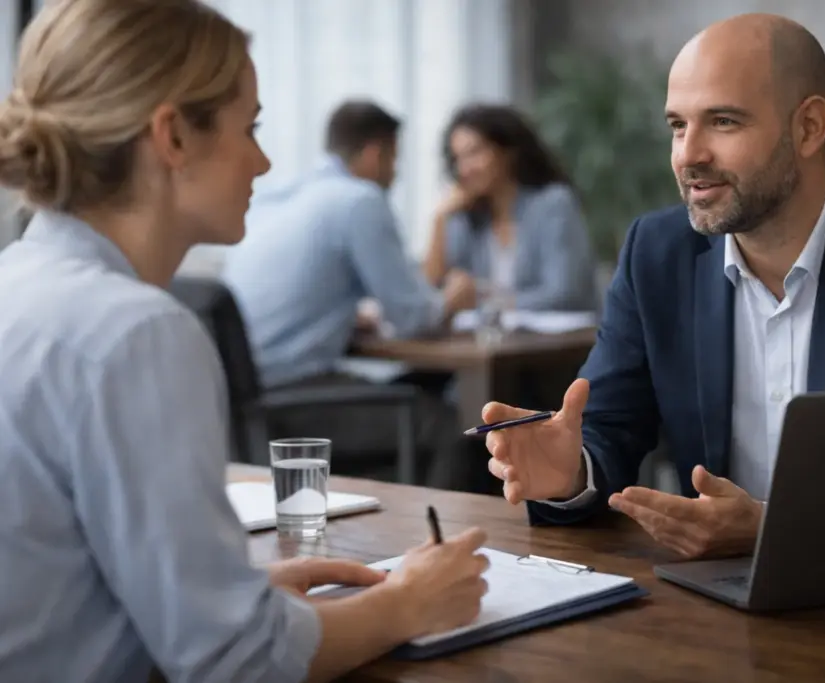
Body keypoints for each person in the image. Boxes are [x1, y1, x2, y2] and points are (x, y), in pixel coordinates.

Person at [0, 2, 488, 682]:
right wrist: (409, 601)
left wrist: (231, 591)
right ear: (171, 136)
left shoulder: (18, 284)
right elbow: (238, 662)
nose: (263, 160)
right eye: (250, 127)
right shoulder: (136, 334)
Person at [478, 13, 825, 561]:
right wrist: (571, 472)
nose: (689, 154)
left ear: (809, 127)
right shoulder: (657, 252)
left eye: (723, 122)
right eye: (676, 125)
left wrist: (776, 529)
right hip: (718, 603)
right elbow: (608, 427)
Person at [221, 100, 475, 490]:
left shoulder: (280, 198)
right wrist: (453, 299)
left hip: (242, 403)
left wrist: (341, 315)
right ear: (376, 153)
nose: (395, 173)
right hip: (290, 399)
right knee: (451, 426)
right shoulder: (359, 200)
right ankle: (440, 547)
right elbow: (413, 317)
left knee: (420, 392)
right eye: (394, 160)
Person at [423, 103, 597, 312]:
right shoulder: (469, 215)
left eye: (474, 153)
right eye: (458, 158)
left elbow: (564, 293)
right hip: (495, 343)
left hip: (561, 342)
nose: (464, 169)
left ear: (507, 152)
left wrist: (488, 304)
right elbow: (433, 290)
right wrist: (440, 218)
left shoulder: (553, 204)